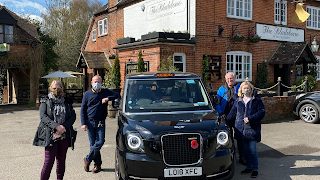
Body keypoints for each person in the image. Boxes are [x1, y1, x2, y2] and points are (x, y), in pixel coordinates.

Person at [33, 80, 76, 180]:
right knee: (48, 162)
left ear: (62, 89)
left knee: (61, 161)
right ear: (50, 89)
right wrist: (56, 126)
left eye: (59, 88)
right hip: (50, 134)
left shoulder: (67, 101)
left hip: (64, 134)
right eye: (54, 88)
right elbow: (43, 117)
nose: (56, 90)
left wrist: (63, 127)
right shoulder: (45, 101)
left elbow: (72, 116)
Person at [81, 75, 121, 173]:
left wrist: (108, 98)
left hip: (100, 122)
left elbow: (118, 95)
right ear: (91, 82)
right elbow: (83, 109)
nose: (96, 83)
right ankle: (97, 165)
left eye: (98, 82)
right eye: (95, 81)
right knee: (93, 144)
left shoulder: (105, 92)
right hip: (90, 122)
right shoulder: (87, 94)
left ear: (101, 83)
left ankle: (87, 159)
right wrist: (83, 123)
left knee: (100, 141)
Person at [226, 81, 265, 178]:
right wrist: (224, 122)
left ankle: (255, 169)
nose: (246, 90)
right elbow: (232, 114)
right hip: (241, 130)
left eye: (248, 88)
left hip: (252, 129)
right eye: (244, 88)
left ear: (251, 89)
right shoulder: (238, 101)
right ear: (241, 90)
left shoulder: (256, 100)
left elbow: (262, 112)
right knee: (245, 150)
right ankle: (249, 167)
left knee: (252, 149)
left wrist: (251, 118)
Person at [215, 72, 244, 164]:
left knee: (240, 138)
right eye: (228, 79)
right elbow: (217, 102)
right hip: (226, 116)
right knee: (228, 137)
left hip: (237, 116)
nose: (229, 80)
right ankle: (231, 157)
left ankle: (242, 157)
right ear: (225, 79)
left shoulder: (239, 88)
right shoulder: (221, 89)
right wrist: (221, 113)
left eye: (231, 79)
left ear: (235, 79)